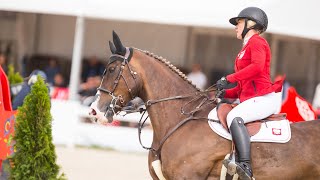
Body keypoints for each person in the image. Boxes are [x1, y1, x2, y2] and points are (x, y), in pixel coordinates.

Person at [215, 7, 283, 179]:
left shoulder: (258, 42)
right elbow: (242, 86)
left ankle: (244, 165)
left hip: (264, 98)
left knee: (233, 117)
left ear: (250, 24)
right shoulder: (243, 50)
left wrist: (228, 77)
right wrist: (224, 93)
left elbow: (257, 67)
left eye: (238, 23)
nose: (235, 27)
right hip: (252, 98)